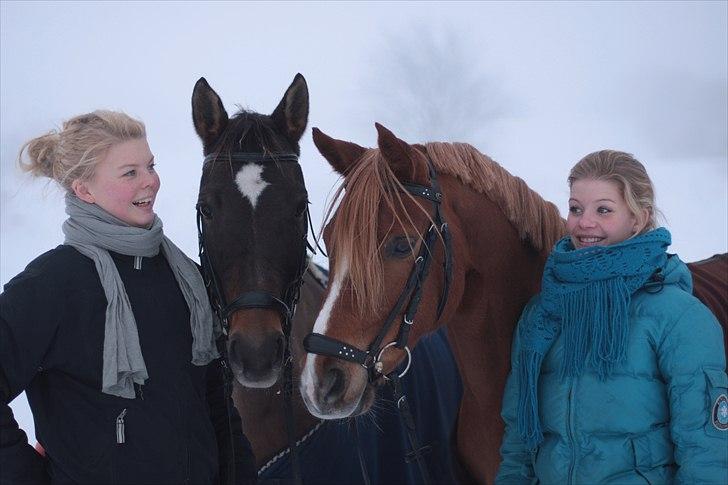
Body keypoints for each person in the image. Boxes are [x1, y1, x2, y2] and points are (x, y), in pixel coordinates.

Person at [0, 111, 256, 484]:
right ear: (84, 190)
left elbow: (216, 403)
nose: (150, 182)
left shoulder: (184, 277)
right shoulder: (52, 284)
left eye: (150, 166)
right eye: (129, 172)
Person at [496, 150, 727, 483]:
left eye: (603, 210)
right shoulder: (542, 315)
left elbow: (707, 453)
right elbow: (519, 442)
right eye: (576, 208)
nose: (584, 222)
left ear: (638, 218)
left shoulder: (679, 317)